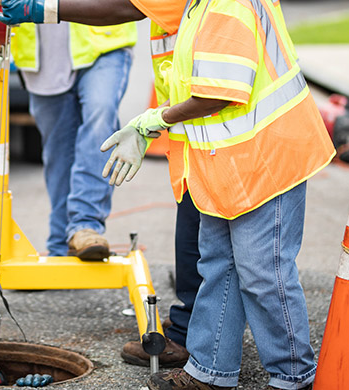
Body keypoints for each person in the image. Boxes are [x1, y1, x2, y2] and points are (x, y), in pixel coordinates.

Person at [0, 1, 336, 389]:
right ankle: (211, 372)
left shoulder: (228, 7)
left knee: (263, 273)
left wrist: (153, 121)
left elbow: (219, 93)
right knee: (219, 266)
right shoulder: (194, 5)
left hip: (269, 158)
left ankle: (294, 377)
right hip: (227, 163)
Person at [10, 20, 136, 260]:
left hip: (104, 41)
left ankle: (85, 226)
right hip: (43, 56)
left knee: (101, 118)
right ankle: (61, 244)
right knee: (58, 154)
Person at [119, 19, 201, 370]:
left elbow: (125, 6)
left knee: (218, 253)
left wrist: (155, 121)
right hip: (202, 141)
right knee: (195, 238)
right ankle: (192, 330)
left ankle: (197, 341)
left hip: (226, 143)